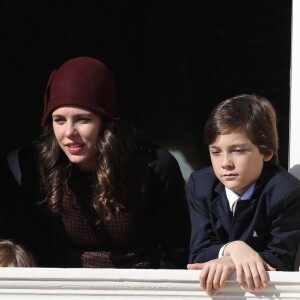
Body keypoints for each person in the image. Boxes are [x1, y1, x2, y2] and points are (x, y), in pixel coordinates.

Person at [3, 56, 190, 268]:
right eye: (59, 120)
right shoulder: (43, 165)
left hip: (143, 288)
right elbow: (36, 247)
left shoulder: (153, 167)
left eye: (83, 119)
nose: (69, 133)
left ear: (105, 122)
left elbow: (175, 252)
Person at [187, 94, 300, 295]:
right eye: (216, 152)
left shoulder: (286, 192)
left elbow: (280, 259)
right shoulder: (200, 185)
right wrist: (234, 248)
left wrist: (231, 260)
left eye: (238, 150)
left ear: (266, 152)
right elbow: (198, 254)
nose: (225, 163)